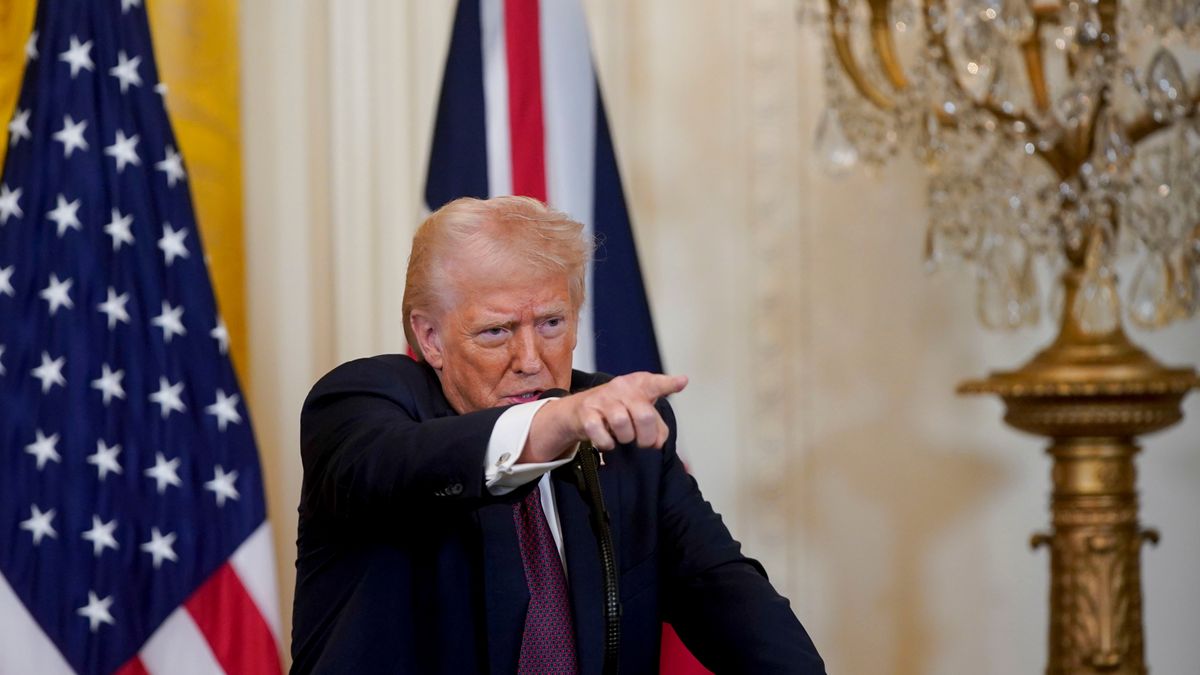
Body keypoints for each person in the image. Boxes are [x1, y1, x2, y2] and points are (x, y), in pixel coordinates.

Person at [291, 196, 825, 674]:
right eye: (496, 331)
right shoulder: (361, 402)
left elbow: (723, 591)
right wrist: (554, 423)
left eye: (551, 323)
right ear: (430, 337)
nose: (530, 361)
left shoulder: (621, 432)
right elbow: (399, 463)